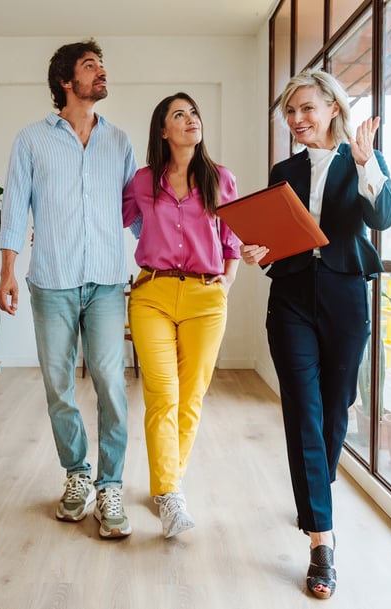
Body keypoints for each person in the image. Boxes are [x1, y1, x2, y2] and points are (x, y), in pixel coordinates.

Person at [240, 69, 391, 598]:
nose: (297, 120)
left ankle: (316, 490)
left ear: (332, 106)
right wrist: (257, 249)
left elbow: (386, 217)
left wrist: (365, 163)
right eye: (290, 112)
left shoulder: (361, 160)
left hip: (344, 297)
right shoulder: (284, 167)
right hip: (289, 299)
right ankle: (321, 541)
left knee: (336, 408)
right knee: (302, 411)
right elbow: (276, 233)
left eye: (306, 108)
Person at [0, 39, 136, 539]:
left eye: (101, 65)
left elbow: (134, 213)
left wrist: (175, 255)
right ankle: (77, 475)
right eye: (90, 66)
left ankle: (111, 483)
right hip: (50, 282)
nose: (101, 73)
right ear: (65, 80)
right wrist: (8, 271)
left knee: (110, 383)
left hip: (105, 282)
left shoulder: (119, 141)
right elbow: (14, 210)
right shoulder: (31, 139)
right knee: (58, 385)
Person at [123, 92, 241, 539]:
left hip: (205, 298)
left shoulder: (219, 178)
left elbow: (232, 237)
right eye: (179, 115)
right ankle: (171, 494)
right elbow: (111, 217)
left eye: (194, 112)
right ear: (163, 130)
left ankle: (165, 486)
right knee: (161, 393)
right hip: (151, 292)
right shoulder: (142, 180)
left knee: (191, 397)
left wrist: (226, 282)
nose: (190, 119)